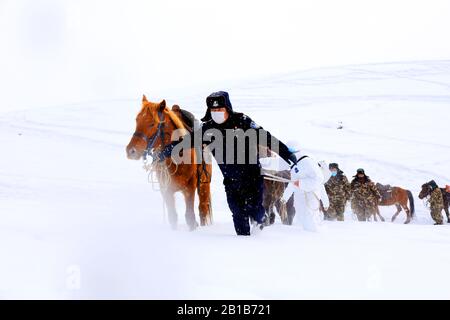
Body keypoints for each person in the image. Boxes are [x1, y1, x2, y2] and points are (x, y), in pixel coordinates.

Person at [162, 91, 297, 236]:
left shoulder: (242, 121)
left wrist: (288, 154)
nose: (217, 113)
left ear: (227, 108)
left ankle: (260, 222)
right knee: (237, 214)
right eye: (213, 110)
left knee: (255, 210)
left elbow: (267, 138)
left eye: (220, 109)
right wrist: (163, 153)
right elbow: (185, 142)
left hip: (252, 178)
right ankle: (243, 244)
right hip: (231, 182)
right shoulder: (208, 129)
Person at [282, 143, 324, 232]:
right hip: (299, 198)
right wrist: (285, 198)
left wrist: (301, 183)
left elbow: (318, 179)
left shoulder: (307, 162)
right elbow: (292, 184)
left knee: (311, 218)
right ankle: (306, 239)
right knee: (302, 219)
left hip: (310, 196)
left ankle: (316, 237)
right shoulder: (294, 166)